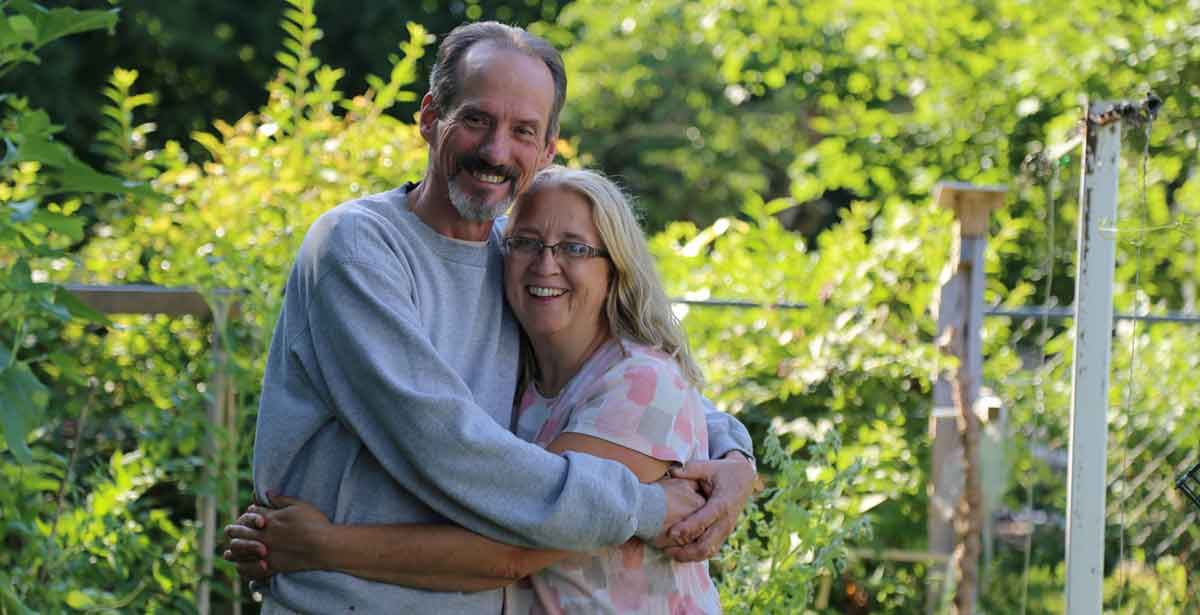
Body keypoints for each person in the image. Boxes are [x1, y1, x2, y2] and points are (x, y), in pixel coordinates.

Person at [240, 21, 756, 614]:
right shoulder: (359, 249)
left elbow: (629, 383)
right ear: (431, 116)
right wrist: (645, 505)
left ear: (547, 149)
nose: (495, 151)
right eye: (477, 119)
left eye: (523, 130)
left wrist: (731, 459)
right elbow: (447, 448)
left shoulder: (516, 257)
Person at [229, 166, 724, 613]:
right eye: (526, 242)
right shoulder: (521, 368)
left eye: (574, 247)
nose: (545, 264)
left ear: (615, 267)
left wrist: (322, 547)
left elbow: (509, 555)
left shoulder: (639, 383)